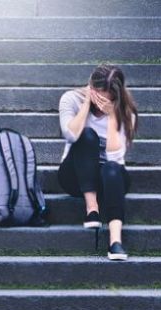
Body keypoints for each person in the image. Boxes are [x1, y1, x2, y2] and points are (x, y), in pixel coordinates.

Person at [57, 64, 138, 261]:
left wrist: (112, 117)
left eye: (105, 97)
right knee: (86, 135)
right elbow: (70, 135)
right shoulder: (71, 99)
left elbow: (115, 158)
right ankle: (91, 209)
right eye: (96, 93)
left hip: (110, 179)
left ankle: (115, 241)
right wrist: (85, 105)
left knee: (111, 168)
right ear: (90, 86)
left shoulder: (126, 114)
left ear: (115, 97)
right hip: (75, 176)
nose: (99, 100)